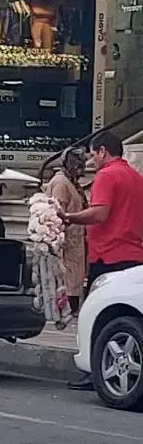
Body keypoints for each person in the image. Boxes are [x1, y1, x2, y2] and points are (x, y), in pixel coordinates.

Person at [60, 132, 143, 388]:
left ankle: (94, 369)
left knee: (96, 315)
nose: (92, 160)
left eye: (93, 154)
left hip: (108, 256)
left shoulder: (106, 175)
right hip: (134, 256)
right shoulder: (136, 177)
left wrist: (69, 217)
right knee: (123, 317)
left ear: (103, 151)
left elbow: (99, 214)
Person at [45, 148, 88, 324]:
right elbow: (56, 213)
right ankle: (65, 313)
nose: (83, 168)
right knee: (68, 280)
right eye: (79, 164)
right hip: (66, 241)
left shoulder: (71, 182)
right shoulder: (61, 183)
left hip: (75, 238)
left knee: (75, 278)